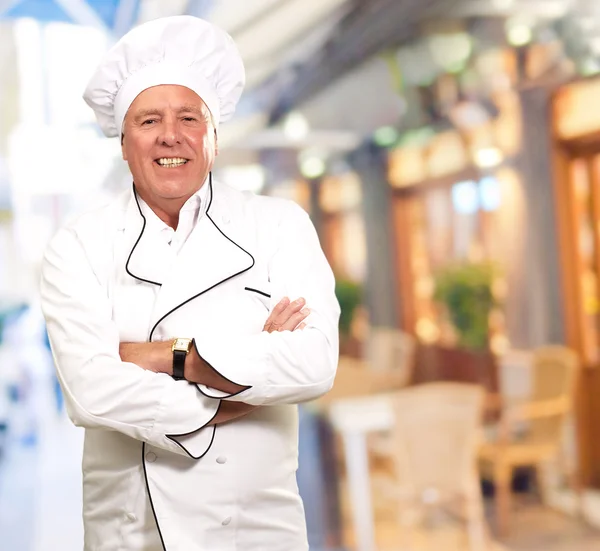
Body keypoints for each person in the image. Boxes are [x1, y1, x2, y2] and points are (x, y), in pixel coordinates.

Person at [39, 15, 340, 551]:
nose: (170, 136)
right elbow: (91, 394)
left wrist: (169, 358)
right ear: (124, 142)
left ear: (214, 137)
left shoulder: (278, 225)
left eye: (189, 117)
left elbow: (314, 363)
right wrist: (240, 388)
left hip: (257, 528)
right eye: (148, 120)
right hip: (134, 531)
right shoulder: (78, 245)